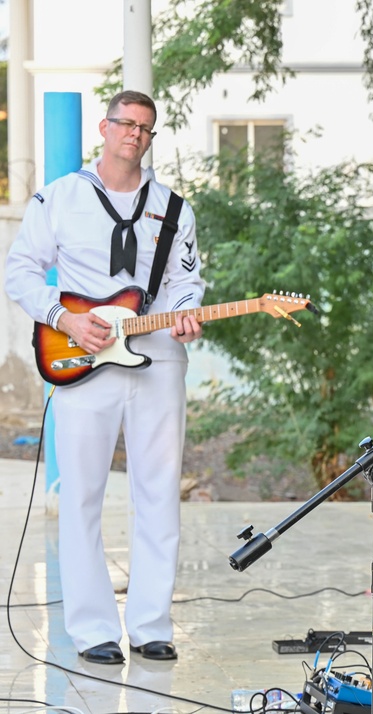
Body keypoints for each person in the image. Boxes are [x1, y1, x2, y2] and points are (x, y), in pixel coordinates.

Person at [5, 90, 205, 664]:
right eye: (126, 124)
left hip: (160, 361)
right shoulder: (61, 198)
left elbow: (187, 282)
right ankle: (93, 630)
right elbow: (18, 270)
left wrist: (189, 311)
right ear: (104, 127)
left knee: (159, 494)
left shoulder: (173, 208)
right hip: (83, 362)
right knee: (83, 496)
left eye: (146, 128)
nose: (135, 136)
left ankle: (151, 626)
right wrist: (63, 316)